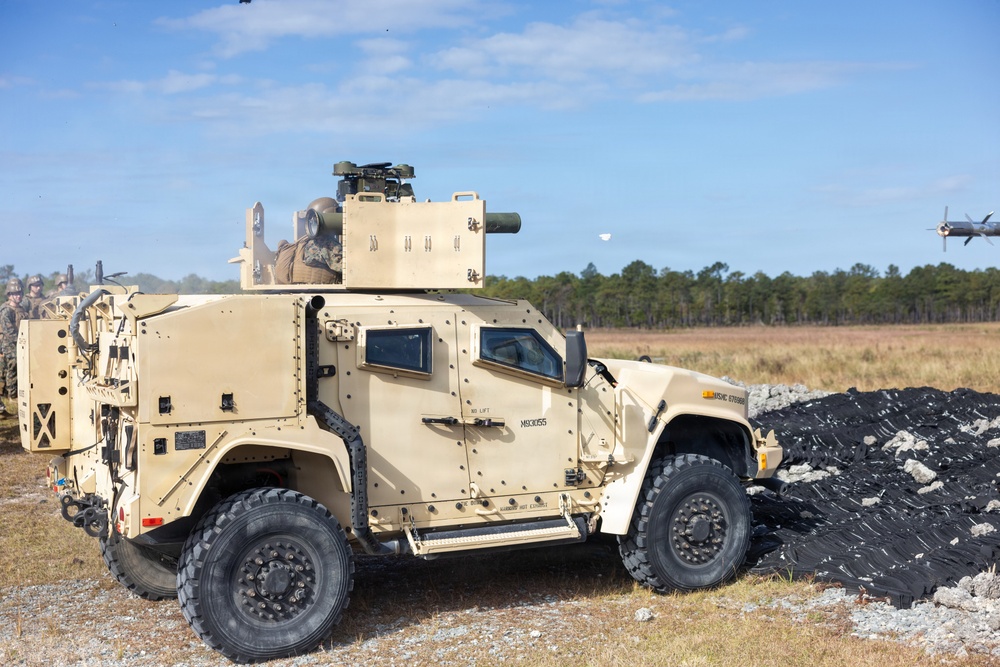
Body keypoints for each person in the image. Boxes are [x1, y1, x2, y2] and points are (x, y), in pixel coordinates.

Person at [0, 277, 25, 402]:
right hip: (10, 345)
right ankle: (12, 395)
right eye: (15, 294)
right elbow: (8, 331)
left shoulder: (21, 309)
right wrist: (21, 340)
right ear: (9, 295)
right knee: (13, 366)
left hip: (21, 343)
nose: (18, 296)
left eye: (20, 293)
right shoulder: (6, 310)